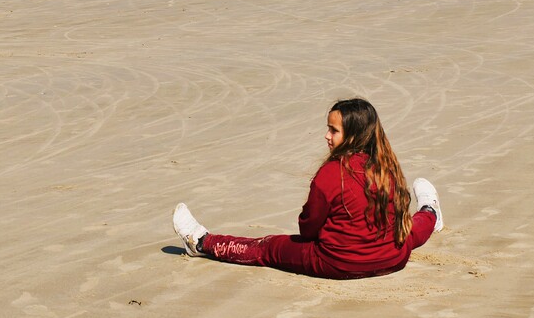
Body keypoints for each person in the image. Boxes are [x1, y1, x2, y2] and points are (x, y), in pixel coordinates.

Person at [173, 98, 444, 279]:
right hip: (393, 259)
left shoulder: (331, 173)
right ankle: (431, 210)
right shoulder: (388, 166)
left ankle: (201, 242)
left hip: (339, 264)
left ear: (352, 135)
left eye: (333, 130)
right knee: (411, 229)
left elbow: (308, 229)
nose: (326, 135)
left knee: (268, 247)